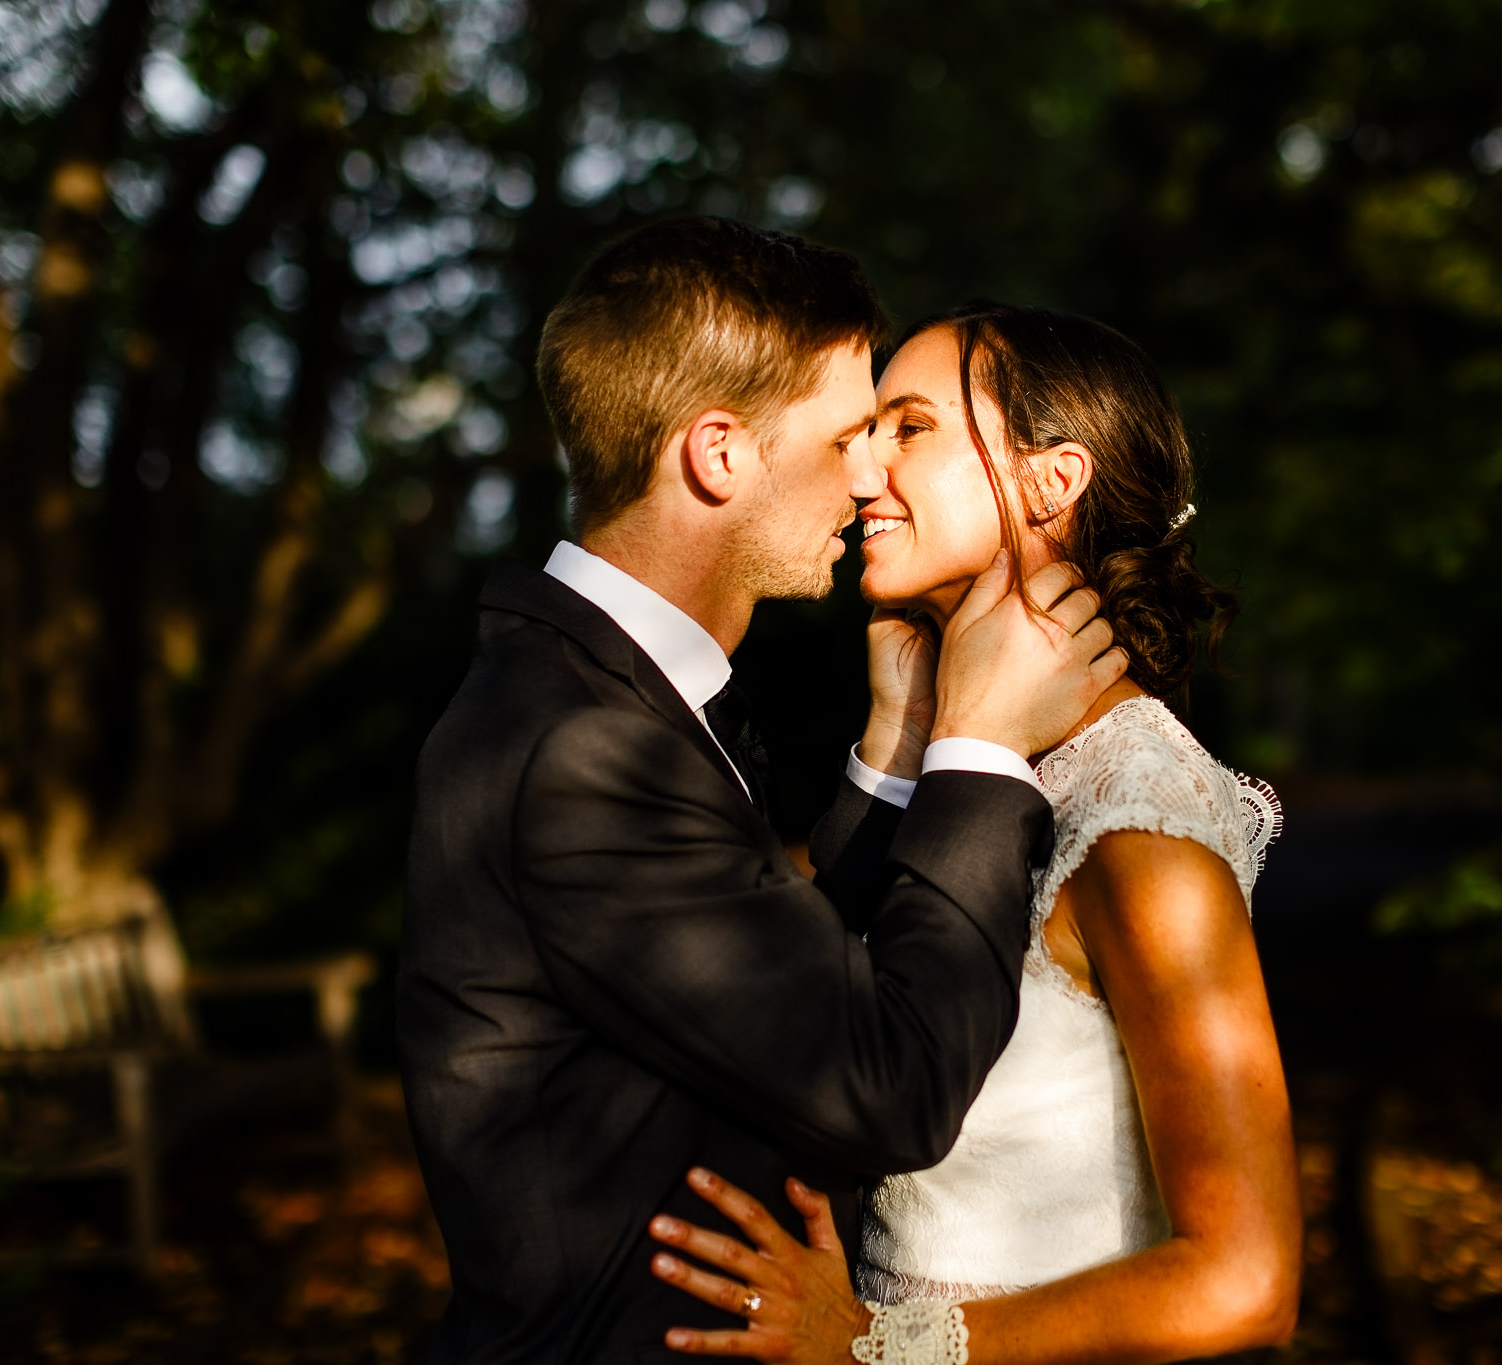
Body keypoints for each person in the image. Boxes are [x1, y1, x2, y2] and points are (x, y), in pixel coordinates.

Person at [398, 229, 1128, 1365]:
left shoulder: (609, 695)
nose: (867, 474)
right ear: (718, 455)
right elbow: (886, 1087)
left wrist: (895, 747)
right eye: (845, 436)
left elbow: (780, 998)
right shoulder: (583, 751)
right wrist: (979, 748)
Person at [645, 303, 1305, 1364]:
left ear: (1051, 483)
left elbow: (1245, 1279)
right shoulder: (967, 766)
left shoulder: (1137, 818)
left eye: (908, 429)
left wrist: (872, 1346)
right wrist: (904, 741)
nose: (861, 472)